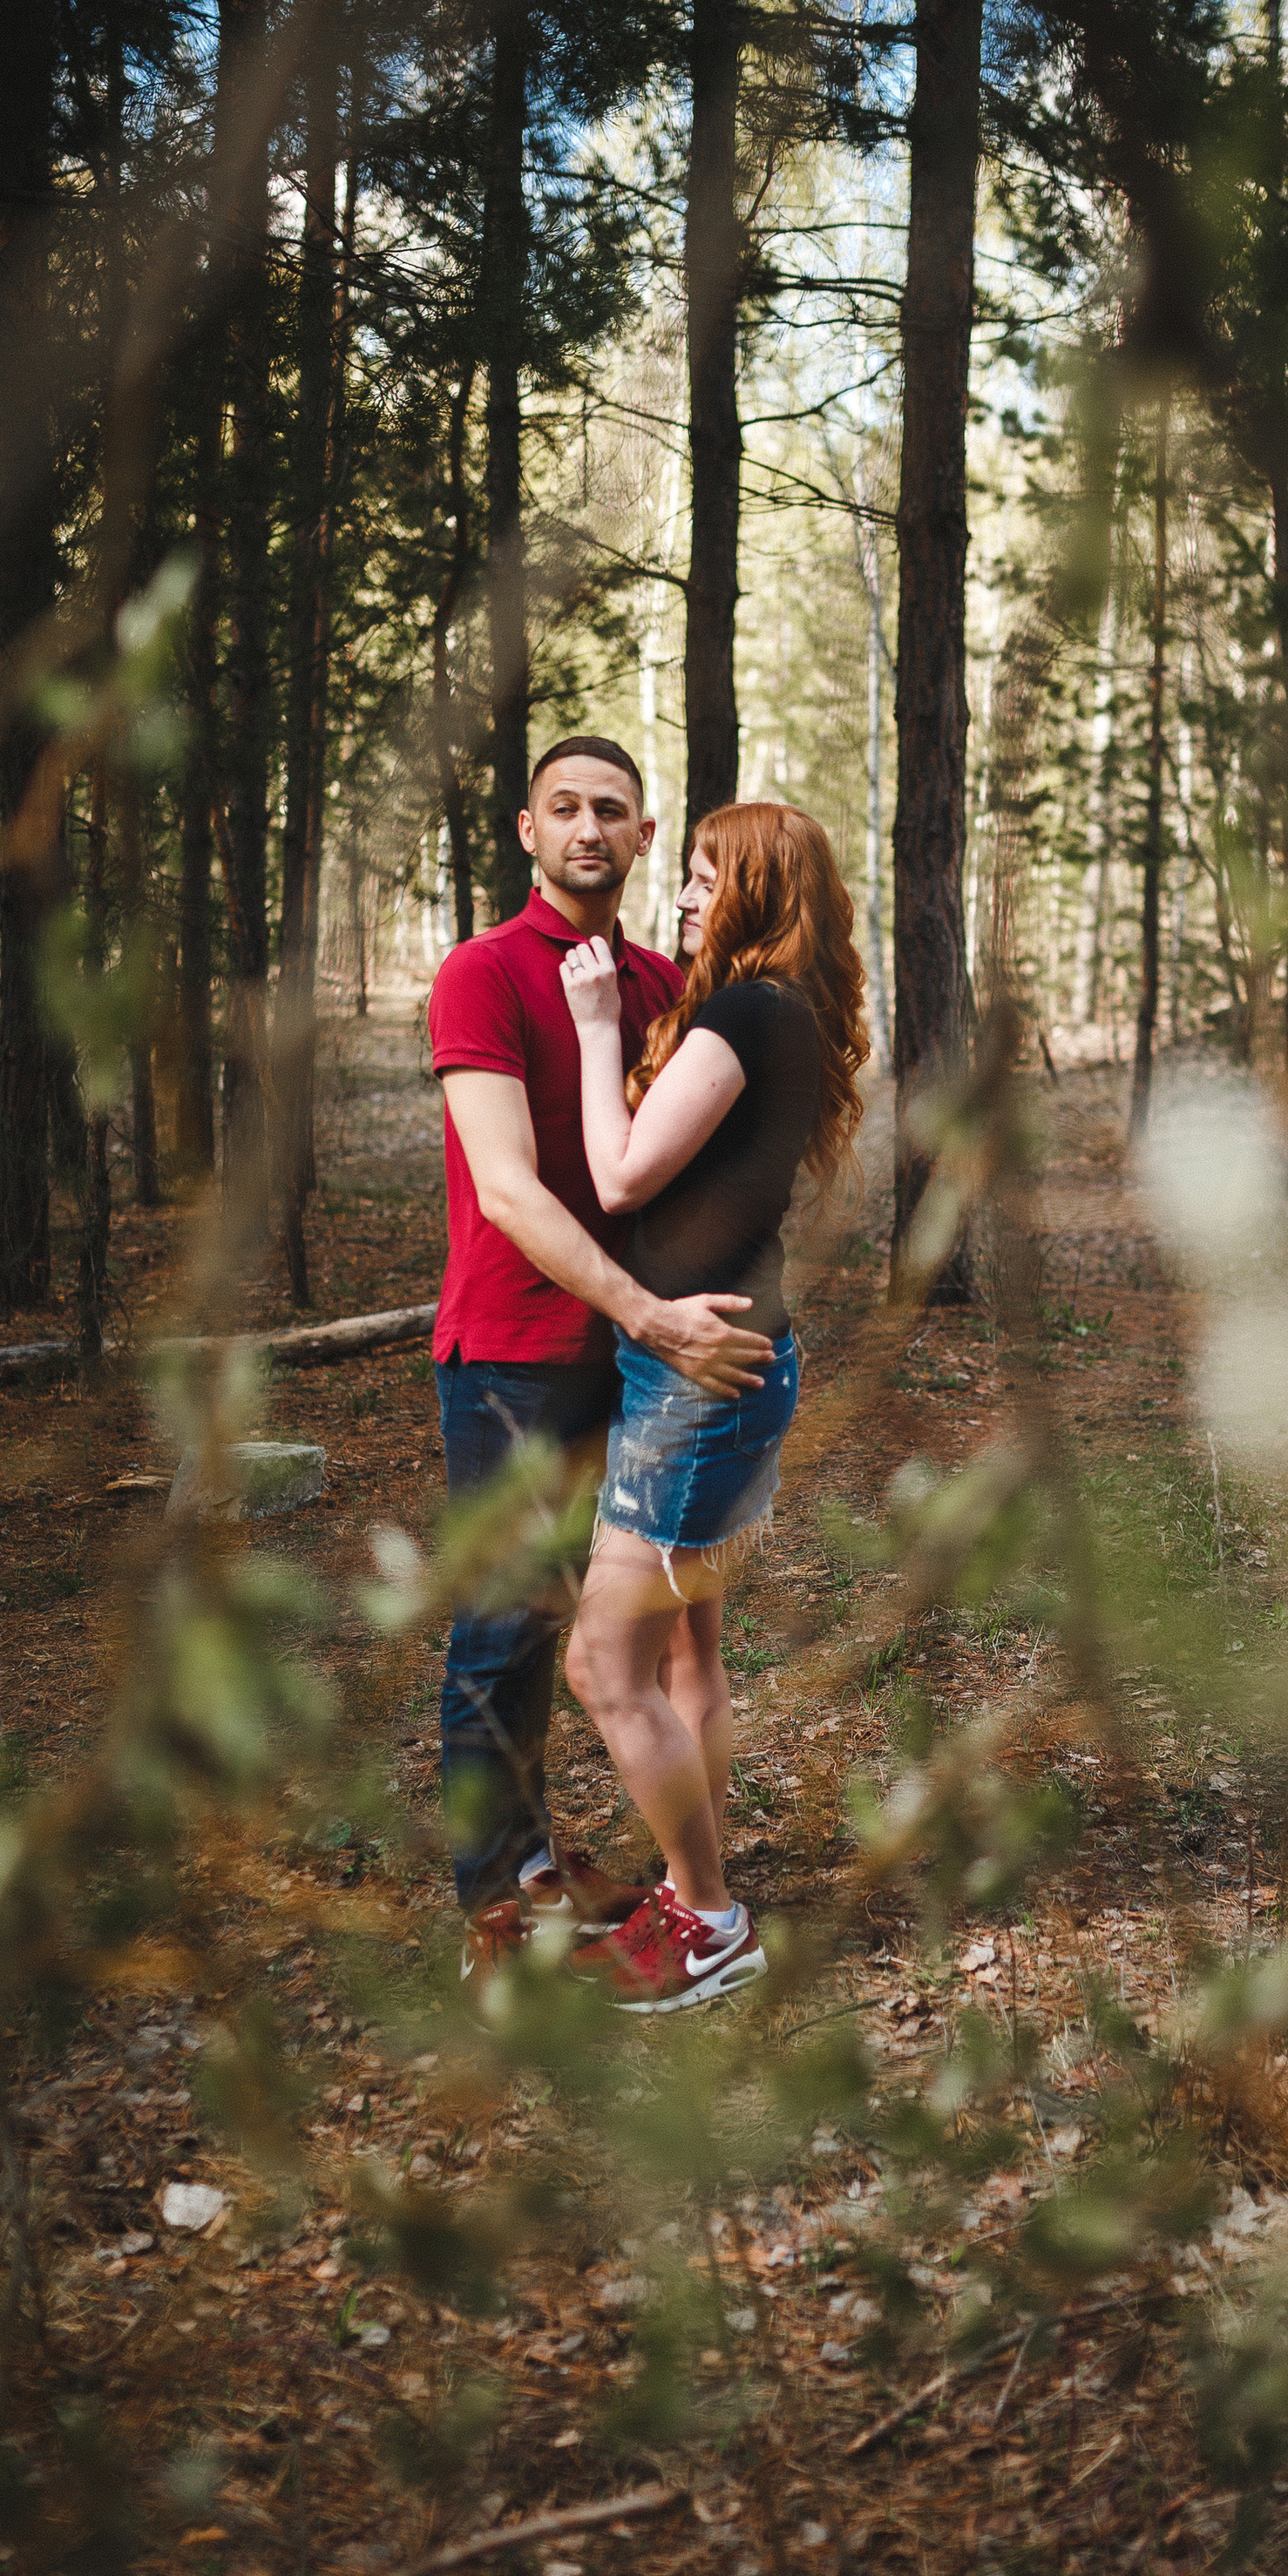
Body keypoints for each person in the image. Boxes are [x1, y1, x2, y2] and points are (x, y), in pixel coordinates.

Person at [427, 738, 774, 1976]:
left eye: (612, 812)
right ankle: (494, 1898)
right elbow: (514, 1192)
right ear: (527, 829)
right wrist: (646, 1311)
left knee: (622, 1629)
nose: (588, 828)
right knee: (506, 1627)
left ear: (642, 836)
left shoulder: (658, 980)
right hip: (518, 1349)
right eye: (564, 808)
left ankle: (549, 1862)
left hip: (641, 1363)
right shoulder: (481, 973)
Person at [555, 800, 870, 2015]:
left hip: (702, 1382)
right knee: (690, 1647)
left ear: (750, 892)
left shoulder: (748, 1011)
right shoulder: (782, 1011)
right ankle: (703, 1893)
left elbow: (623, 1170)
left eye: (700, 878)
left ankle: (712, 1923)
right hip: (724, 1364)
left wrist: (593, 1031)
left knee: (600, 1660)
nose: (680, 896)